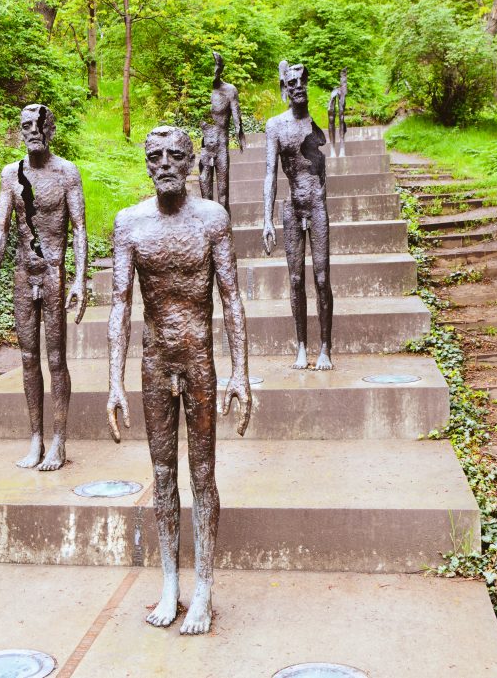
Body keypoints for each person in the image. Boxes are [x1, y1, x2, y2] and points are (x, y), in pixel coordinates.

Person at [107, 126, 251, 635]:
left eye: (175, 155)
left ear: (191, 161)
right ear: (146, 164)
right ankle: (170, 583)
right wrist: (113, 381)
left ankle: (205, 589)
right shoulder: (129, 224)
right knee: (163, 474)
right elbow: (120, 304)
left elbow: (231, 297)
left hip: (198, 360)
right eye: (155, 156)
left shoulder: (212, 219)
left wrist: (241, 372)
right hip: (154, 360)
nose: (165, 162)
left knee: (203, 474)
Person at [0, 104, 87, 471]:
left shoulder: (67, 173)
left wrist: (79, 279)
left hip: (54, 272)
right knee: (27, 359)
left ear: (50, 129)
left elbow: (79, 229)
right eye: (27, 125)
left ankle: (59, 440)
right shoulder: (11, 174)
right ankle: (36, 438)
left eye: (40, 124)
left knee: (56, 359)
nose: (33, 131)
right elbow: (1, 231)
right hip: (24, 273)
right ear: (20, 130)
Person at [262, 62, 334, 370]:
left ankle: (326, 348)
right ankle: (301, 347)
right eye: (292, 83)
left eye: (302, 81)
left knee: (321, 278)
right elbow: (269, 174)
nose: (299, 87)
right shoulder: (275, 126)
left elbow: (322, 174)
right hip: (291, 207)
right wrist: (266, 217)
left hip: (316, 205)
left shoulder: (315, 127)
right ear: (284, 89)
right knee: (294, 279)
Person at [198, 51, 245, 214]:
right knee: (205, 193)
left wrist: (240, 134)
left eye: (217, 66)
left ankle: (225, 230)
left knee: (223, 195)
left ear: (221, 68)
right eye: (212, 66)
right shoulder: (204, 91)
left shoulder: (229, 90)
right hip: (206, 146)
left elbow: (236, 115)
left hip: (221, 146)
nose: (214, 71)